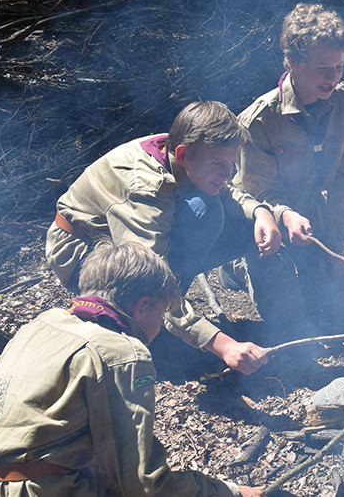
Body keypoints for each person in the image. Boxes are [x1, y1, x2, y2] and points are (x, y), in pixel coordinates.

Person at [0, 242, 263, 496]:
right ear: (142, 306)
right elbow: (145, 485)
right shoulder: (121, 353)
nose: (159, 328)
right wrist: (230, 492)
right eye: (161, 315)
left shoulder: (40, 325)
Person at [46, 101, 278, 375]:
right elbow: (149, 277)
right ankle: (148, 331)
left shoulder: (188, 154)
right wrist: (222, 344)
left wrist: (261, 211)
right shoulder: (144, 189)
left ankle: (167, 315)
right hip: (80, 253)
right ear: (182, 154)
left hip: (125, 241)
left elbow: (226, 190)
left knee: (220, 212)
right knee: (200, 215)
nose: (228, 173)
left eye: (231, 162)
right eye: (219, 164)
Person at [233, 3, 344, 325]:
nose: (332, 77)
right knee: (289, 316)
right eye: (322, 67)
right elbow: (257, 192)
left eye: (339, 67)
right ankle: (235, 266)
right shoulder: (259, 120)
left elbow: (343, 180)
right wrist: (286, 215)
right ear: (293, 61)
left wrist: (336, 246)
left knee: (335, 300)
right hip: (262, 215)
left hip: (309, 211)